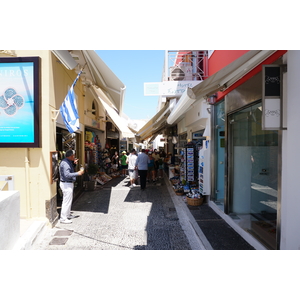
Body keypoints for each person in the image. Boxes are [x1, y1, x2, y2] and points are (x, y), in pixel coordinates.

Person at [59, 149, 84, 224]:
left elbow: (69, 170)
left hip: (68, 183)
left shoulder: (67, 161)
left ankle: (67, 214)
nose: (74, 157)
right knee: (66, 201)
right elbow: (67, 174)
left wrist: (74, 164)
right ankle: (63, 218)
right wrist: (78, 173)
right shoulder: (65, 163)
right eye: (73, 155)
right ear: (70, 156)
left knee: (69, 200)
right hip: (66, 184)